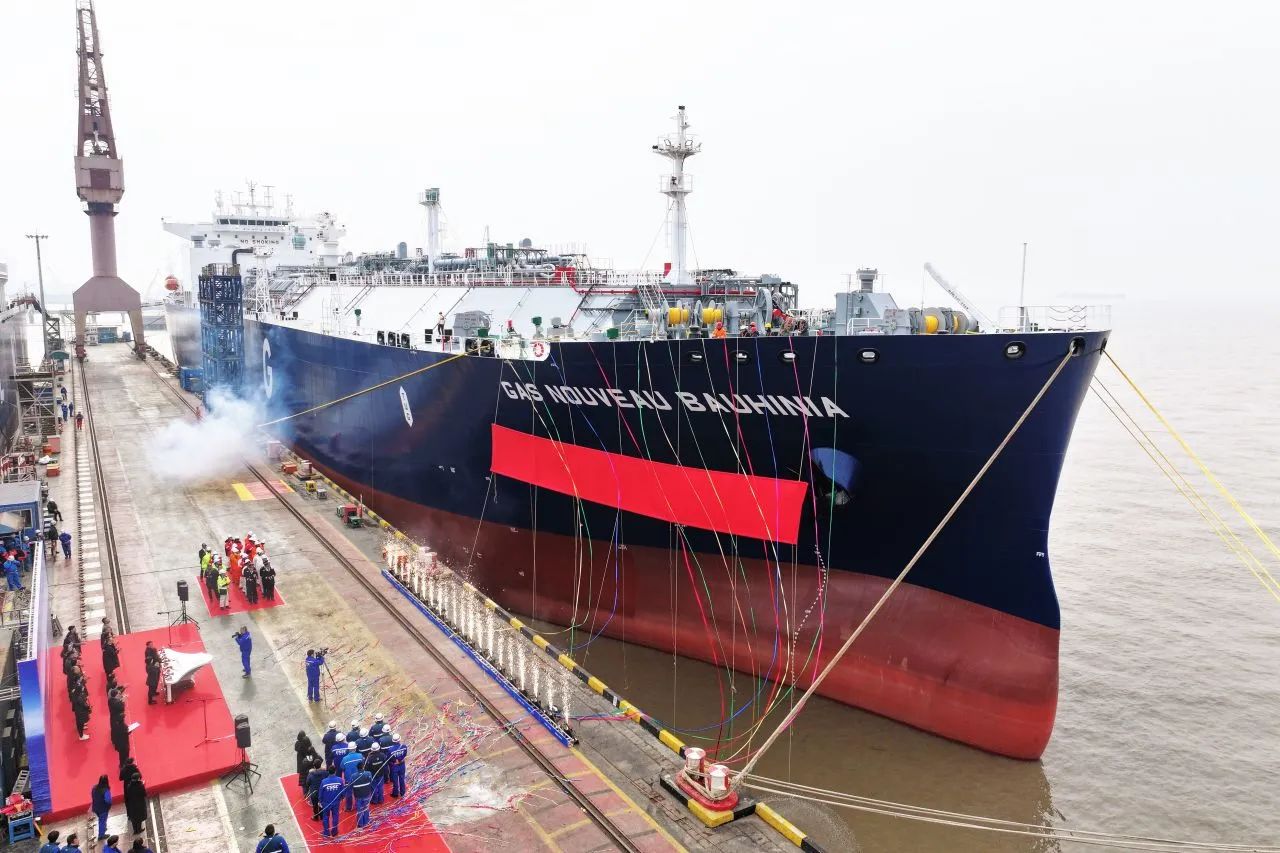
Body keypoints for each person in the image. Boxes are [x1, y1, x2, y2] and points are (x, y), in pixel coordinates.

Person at [318, 766, 344, 838]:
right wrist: (342, 797)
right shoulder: (340, 780)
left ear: (328, 772)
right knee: (335, 816)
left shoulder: (324, 781)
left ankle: (326, 833)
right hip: (336, 802)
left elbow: (320, 792)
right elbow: (342, 791)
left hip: (326, 803)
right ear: (335, 771)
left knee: (325, 817)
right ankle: (334, 832)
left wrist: (320, 801)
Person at [339, 741, 363, 813]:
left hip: (348, 779)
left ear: (349, 749)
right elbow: (363, 764)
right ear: (355, 748)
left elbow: (342, 768)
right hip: (358, 777)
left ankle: (349, 807)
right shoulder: (360, 756)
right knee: (359, 792)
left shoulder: (344, 759)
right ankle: (358, 805)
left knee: (348, 793)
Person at [351, 761, 374, 828]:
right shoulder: (368, 773)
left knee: (359, 810)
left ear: (357, 768)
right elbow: (370, 781)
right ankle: (366, 822)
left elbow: (351, 785)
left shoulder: (353, 776)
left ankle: (360, 824)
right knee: (366, 808)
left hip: (358, 795)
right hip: (366, 794)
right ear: (363, 767)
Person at [91, 775, 112, 839]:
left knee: (101, 819)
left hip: (95, 807)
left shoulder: (94, 787)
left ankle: (103, 828)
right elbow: (108, 800)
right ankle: (101, 835)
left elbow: (92, 795)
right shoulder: (106, 790)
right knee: (102, 821)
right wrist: (109, 805)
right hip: (103, 808)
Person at [388, 732, 408, 798]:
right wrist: (400, 760)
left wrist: (395, 761)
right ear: (399, 740)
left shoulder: (390, 749)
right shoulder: (404, 747)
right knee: (402, 779)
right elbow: (405, 754)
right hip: (402, 765)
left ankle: (395, 793)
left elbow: (388, 758)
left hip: (394, 766)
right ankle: (402, 792)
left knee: (395, 781)